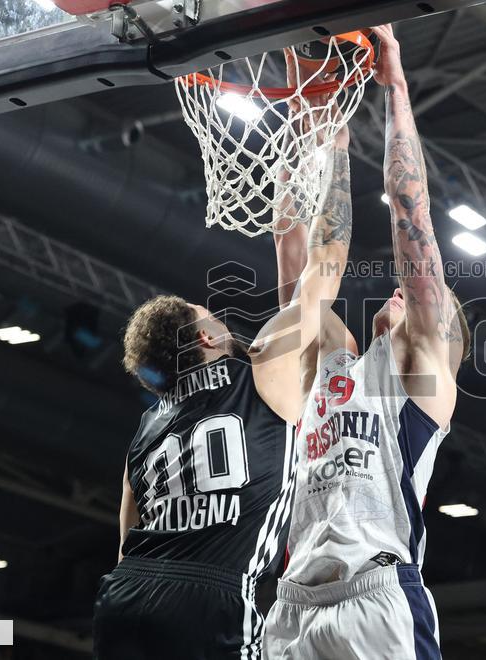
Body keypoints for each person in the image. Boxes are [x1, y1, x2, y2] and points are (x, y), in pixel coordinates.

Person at [92, 112, 355, 658]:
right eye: (208, 314)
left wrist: (289, 171)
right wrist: (337, 158)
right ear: (207, 341)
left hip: (126, 593)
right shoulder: (260, 367)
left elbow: (126, 539)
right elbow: (322, 273)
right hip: (213, 592)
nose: (219, 317)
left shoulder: (148, 426)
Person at [264, 24, 470, 660]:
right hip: (293, 601)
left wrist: (397, 88)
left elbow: (413, 219)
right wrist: (320, 125)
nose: (405, 293)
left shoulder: (421, 378)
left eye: (425, 301)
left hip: (377, 596)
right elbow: (293, 254)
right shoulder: (333, 365)